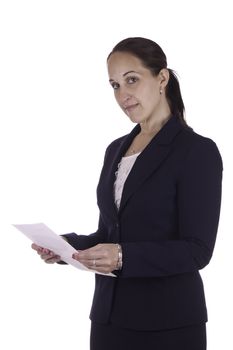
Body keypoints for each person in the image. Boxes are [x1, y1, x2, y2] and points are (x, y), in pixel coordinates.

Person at [32, 37, 223, 350]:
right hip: (109, 320)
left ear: (161, 78)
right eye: (115, 85)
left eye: (131, 80)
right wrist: (65, 247)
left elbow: (197, 250)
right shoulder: (115, 150)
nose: (123, 95)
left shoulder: (196, 151)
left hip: (168, 323)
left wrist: (122, 256)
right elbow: (111, 234)